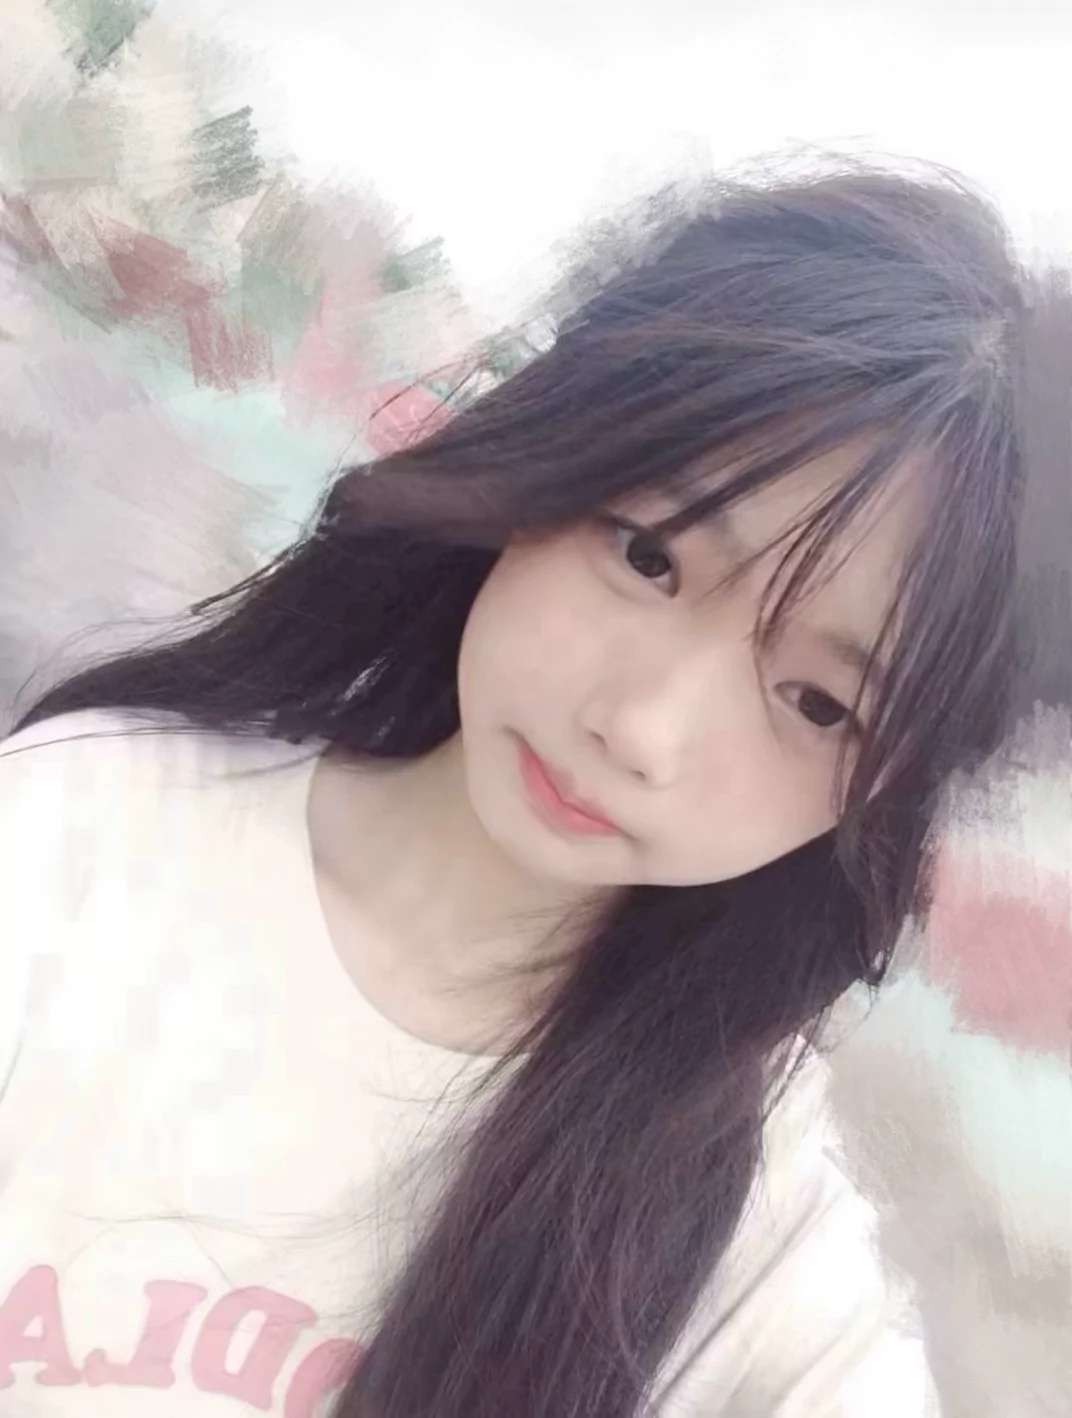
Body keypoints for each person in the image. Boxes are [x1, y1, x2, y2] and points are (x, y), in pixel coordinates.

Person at [0, 155, 1057, 1418]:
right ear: (545, 469)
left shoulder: (754, 1237)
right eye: (649, 556)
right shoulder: (75, 844)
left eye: (820, 702)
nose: (642, 728)